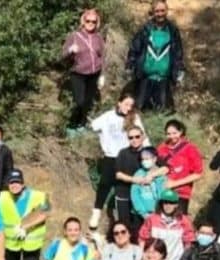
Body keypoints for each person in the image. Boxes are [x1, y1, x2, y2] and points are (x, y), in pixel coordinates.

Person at [89, 94, 149, 231]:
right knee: (105, 183)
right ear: (119, 103)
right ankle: (96, 211)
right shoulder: (108, 116)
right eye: (126, 104)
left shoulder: (134, 118)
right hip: (111, 155)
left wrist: (148, 152)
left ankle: (131, 218)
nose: (128, 108)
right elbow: (93, 126)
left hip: (128, 155)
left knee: (126, 187)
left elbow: (143, 136)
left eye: (131, 106)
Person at [127, 1, 185, 112]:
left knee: (162, 112)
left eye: (162, 11)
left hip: (164, 79)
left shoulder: (172, 30)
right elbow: (135, 48)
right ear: (153, 12)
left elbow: (178, 53)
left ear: (167, 11)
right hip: (145, 78)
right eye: (157, 11)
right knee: (139, 110)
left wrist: (180, 70)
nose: (160, 14)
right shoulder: (145, 29)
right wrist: (130, 64)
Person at [0, 169, 49, 260]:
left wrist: (25, 227)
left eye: (17, 182)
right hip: (11, 243)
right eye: (11, 183)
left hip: (31, 243)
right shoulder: (2, 197)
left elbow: (45, 213)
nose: (14, 185)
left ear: (23, 184)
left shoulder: (38, 196)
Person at [63, 8, 105, 136]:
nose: (90, 23)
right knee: (79, 101)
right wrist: (70, 50)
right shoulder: (74, 36)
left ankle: (81, 125)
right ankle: (71, 125)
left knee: (87, 102)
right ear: (83, 21)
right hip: (78, 73)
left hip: (94, 74)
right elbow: (62, 56)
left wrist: (103, 74)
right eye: (88, 21)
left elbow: (103, 56)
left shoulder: (98, 37)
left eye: (93, 21)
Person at [114, 132, 162, 235]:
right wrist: (136, 180)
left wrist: (152, 176)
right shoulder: (123, 153)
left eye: (137, 136)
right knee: (130, 228)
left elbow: (165, 169)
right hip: (128, 198)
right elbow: (118, 174)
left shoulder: (150, 151)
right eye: (131, 137)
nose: (134, 139)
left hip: (156, 212)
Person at [157, 120, 203, 213]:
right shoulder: (162, 148)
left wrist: (174, 183)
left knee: (179, 221)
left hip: (181, 193)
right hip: (162, 191)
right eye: (168, 134)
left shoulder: (190, 148)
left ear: (181, 132)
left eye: (174, 133)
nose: (172, 136)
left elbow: (198, 174)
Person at [139, 189, 194, 260]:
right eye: (165, 202)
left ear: (176, 204)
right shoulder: (152, 219)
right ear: (161, 203)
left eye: (171, 203)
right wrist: (144, 257)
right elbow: (142, 239)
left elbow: (188, 242)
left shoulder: (184, 220)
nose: (168, 205)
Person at [130, 147, 168, 235]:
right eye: (142, 159)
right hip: (139, 214)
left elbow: (162, 194)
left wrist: (159, 211)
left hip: (157, 214)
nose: (144, 161)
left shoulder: (161, 175)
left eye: (147, 159)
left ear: (154, 159)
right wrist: (143, 213)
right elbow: (135, 195)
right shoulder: (139, 174)